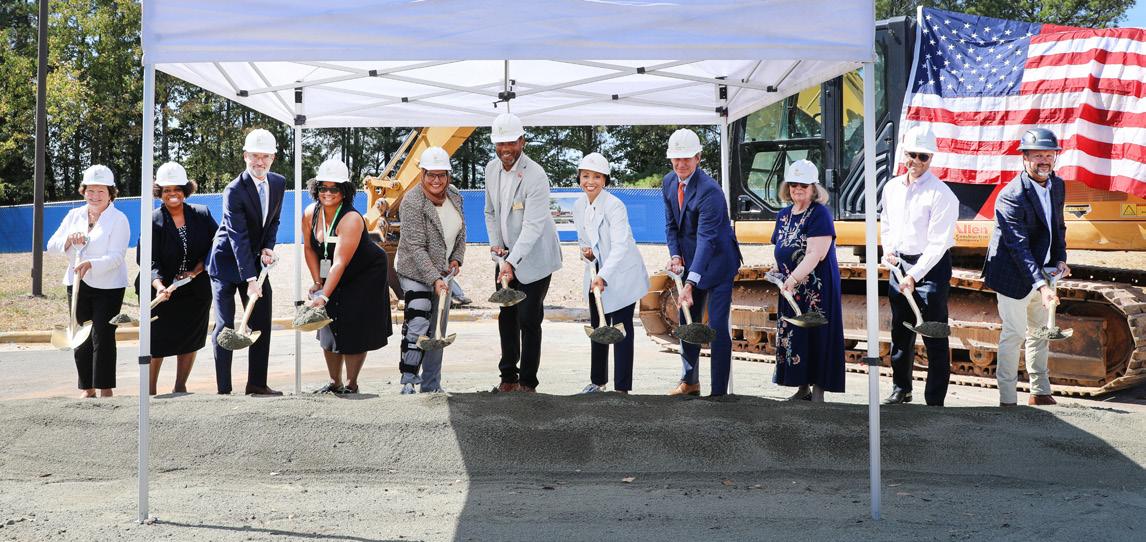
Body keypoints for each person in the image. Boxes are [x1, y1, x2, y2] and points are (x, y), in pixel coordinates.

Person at [983, 128, 1070, 407]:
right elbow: (1018, 247)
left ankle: (1040, 391)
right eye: (1037, 156)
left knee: (1040, 333)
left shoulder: (1057, 185)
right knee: (1014, 334)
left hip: (1043, 272)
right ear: (1024, 158)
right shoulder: (1012, 195)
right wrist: (1043, 287)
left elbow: (1058, 227)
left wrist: (1060, 259)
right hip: (1013, 275)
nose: (1044, 161)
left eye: (1049, 155)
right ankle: (1008, 400)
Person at [483, 112, 563, 393]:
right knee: (506, 316)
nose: (505, 149)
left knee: (528, 318)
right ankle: (508, 378)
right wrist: (498, 251)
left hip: (535, 257)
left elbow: (533, 226)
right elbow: (490, 213)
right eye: (500, 143)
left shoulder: (536, 175)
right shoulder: (490, 170)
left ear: (522, 141)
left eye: (511, 143)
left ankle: (528, 382)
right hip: (506, 257)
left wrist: (512, 262)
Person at [880, 127, 959, 406]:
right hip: (900, 264)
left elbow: (938, 243)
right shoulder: (891, 188)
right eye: (912, 154)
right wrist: (889, 250)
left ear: (931, 158)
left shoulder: (942, 194)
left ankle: (935, 400)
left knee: (934, 333)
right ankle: (901, 388)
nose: (916, 161)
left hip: (931, 268)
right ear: (904, 154)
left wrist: (914, 275)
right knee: (900, 332)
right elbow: (887, 223)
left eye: (923, 156)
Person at [661, 128, 742, 397]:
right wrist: (675, 256)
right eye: (677, 158)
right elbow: (671, 226)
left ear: (698, 157)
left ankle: (718, 393)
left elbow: (707, 240)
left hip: (718, 264)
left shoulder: (711, 192)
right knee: (688, 322)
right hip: (691, 261)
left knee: (716, 327)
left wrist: (690, 283)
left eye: (687, 158)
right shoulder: (668, 183)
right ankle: (690, 382)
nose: (681, 164)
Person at [302, 158, 392, 394]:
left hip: (364, 273)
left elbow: (340, 262)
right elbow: (310, 248)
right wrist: (317, 282)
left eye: (334, 189)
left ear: (344, 191)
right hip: (334, 270)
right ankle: (335, 383)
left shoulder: (351, 218)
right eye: (323, 187)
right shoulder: (310, 214)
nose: (327, 193)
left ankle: (352, 384)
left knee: (353, 323)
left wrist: (324, 296)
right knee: (328, 323)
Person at [207, 128, 286, 396]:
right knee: (225, 326)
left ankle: (257, 384)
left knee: (261, 320)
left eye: (265, 156)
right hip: (226, 263)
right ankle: (224, 390)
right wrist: (251, 279)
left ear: (273, 158)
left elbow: (273, 220)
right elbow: (238, 236)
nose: (259, 162)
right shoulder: (234, 190)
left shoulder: (278, 183)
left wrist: (267, 247)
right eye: (254, 156)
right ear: (245, 156)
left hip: (254, 261)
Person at [46, 165, 130, 398]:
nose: (94, 196)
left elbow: (117, 257)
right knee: (79, 333)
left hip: (109, 286)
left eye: (101, 191)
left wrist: (91, 264)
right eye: (90, 190)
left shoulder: (118, 219)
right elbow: (51, 246)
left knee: (102, 335)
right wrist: (68, 240)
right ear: (83, 191)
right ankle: (87, 388)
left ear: (111, 193)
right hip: (77, 282)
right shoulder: (74, 215)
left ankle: (105, 387)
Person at [572, 152, 649, 394]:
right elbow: (584, 240)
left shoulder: (615, 205)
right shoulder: (579, 205)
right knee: (598, 326)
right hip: (597, 272)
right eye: (585, 176)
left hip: (622, 274)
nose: (590, 181)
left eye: (597, 176)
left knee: (621, 329)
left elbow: (620, 246)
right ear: (579, 178)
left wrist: (603, 275)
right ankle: (598, 382)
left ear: (605, 180)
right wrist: (586, 253)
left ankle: (622, 389)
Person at [770, 160, 845, 402]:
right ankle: (802, 388)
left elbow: (816, 254)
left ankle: (818, 392)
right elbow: (781, 247)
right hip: (791, 288)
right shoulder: (783, 215)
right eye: (793, 184)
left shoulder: (820, 213)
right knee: (796, 333)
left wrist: (793, 278)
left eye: (803, 184)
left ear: (813, 188)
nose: (797, 189)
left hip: (816, 288)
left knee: (817, 333)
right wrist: (776, 270)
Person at [143, 162, 219, 395]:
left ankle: (180, 386)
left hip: (195, 289)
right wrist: (159, 285)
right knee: (156, 340)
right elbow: (148, 259)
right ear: (159, 192)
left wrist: (196, 271)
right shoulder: (153, 220)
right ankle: (150, 390)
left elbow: (217, 245)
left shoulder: (202, 214)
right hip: (162, 290)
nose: (172, 194)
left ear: (186, 190)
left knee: (190, 338)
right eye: (167, 190)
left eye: (177, 188)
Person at [394, 147, 465, 394]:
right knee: (418, 322)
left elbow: (461, 232)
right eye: (431, 175)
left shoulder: (455, 195)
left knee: (437, 331)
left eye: (441, 174)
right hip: (415, 271)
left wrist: (456, 259)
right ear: (422, 174)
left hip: (444, 272)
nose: (436, 180)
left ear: (448, 175)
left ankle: (431, 385)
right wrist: (434, 278)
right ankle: (408, 381)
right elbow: (415, 246)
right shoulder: (412, 202)